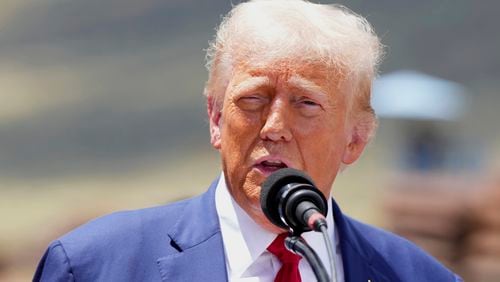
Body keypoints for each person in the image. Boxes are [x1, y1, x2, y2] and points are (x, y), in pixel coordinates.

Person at [34, 1, 462, 281]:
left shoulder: (419, 276)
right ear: (216, 118)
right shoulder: (94, 266)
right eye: (252, 100)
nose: (274, 126)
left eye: (306, 104)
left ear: (356, 139)